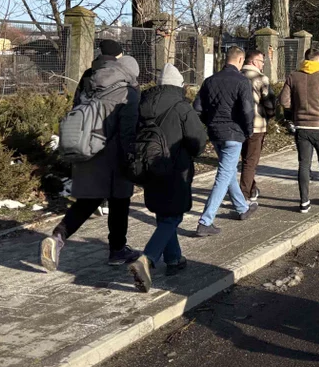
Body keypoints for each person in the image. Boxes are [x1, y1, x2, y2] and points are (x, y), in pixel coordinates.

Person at [41, 40, 141, 272]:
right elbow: (127, 131)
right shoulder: (128, 91)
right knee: (120, 201)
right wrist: (131, 160)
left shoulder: (89, 78)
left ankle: (58, 236)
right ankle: (117, 250)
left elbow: (77, 107)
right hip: (113, 155)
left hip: (86, 148)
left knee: (88, 200)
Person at [127, 64, 207, 293]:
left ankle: (174, 259)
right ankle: (148, 258)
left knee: (164, 214)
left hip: (149, 166)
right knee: (173, 217)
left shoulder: (142, 104)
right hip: (175, 168)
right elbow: (198, 141)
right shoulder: (182, 108)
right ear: (179, 85)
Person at [193, 46, 256, 235]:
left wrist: (210, 123)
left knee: (227, 171)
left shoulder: (209, 81)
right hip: (234, 134)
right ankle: (205, 221)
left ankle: (242, 208)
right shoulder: (242, 81)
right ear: (240, 61)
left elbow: (197, 109)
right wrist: (248, 130)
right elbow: (247, 110)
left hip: (215, 133)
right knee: (223, 175)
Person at [279, 47, 319, 213]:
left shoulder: (293, 76)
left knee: (303, 164)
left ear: (305, 60)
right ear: (318, 60)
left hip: (301, 127)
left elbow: (284, 101)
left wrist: (296, 111)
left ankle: (304, 202)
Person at [240, 49, 275, 204]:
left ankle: (251, 187)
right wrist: (271, 115)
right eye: (261, 61)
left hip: (236, 125)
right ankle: (244, 194)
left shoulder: (237, 75)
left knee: (245, 158)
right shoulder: (260, 78)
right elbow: (269, 102)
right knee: (251, 161)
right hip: (256, 124)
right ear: (253, 62)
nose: (262, 64)